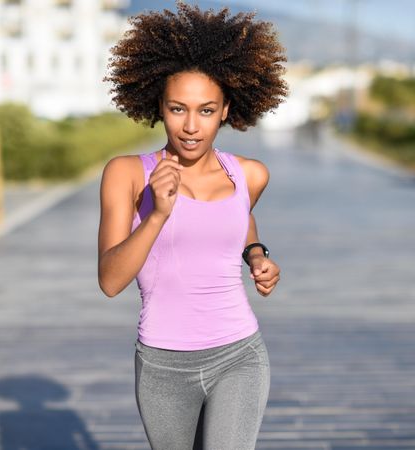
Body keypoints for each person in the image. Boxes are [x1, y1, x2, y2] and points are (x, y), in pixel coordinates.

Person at [98, 2, 287, 448]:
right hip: (163, 365)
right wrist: (158, 214)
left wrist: (256, 253)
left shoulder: (249, 174)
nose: (190, 126)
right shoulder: (127, 174)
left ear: (225, 110)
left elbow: (240, 218)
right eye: (177, 109)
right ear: (158, 107)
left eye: (206, 110)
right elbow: (110, 280)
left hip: (239, 353)